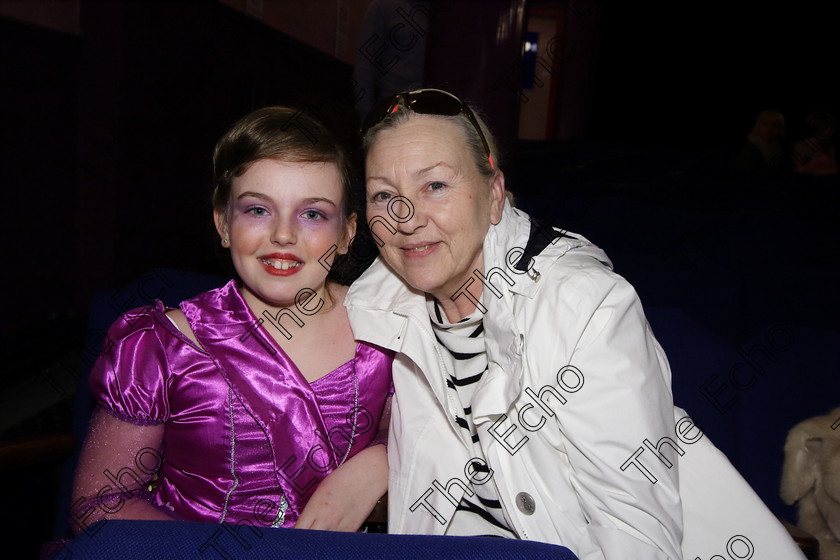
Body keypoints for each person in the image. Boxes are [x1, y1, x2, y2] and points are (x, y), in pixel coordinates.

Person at [345, 89, 805, 559]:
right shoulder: (371, 309)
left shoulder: (586, 306)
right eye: (385, 194)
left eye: (435, 186)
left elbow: (638, 537)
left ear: (495, 196)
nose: (406, 217)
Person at [70, 107, 393, 533]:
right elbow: (98, 505)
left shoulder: (389, 331)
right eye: (258, 210)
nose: (283, 234)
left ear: (348, 233)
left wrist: (378, 462)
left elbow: (431, 446)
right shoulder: (161, 347)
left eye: (312, 213)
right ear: (223, 223)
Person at [734, 109, 787, 174]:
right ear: (758, 126)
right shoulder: (750, 149)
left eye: (774, 125)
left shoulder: (777, 148)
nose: (769, 129)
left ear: (780, 128)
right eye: (764, 124)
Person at [792, 111, 838, 175]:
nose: (832, 131)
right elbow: (798, 170)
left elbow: (835, 169)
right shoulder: (800, 145)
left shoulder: (827, 145)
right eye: (827, 127)